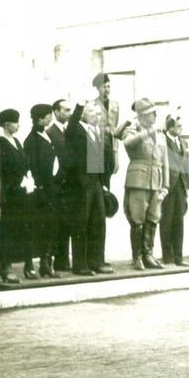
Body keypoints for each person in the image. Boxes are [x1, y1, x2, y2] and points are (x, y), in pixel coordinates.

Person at [66, 100, 115, 275]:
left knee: (98, 222)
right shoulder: (76, 130)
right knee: (81, 222)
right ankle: (80, 264)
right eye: (93, 113)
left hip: (97, 183)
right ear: (85, 114)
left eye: (99, 113)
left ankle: (97, 261)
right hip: (81, 184)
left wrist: (105, 185)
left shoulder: (100, 133)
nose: (97, 116)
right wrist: (79, 105)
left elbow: (105, 161)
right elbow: (72, 123)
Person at [120, 98, 169, 270]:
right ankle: (137, 257)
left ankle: (148, 254)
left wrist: (166, 185)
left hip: (155, 180)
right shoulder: (132, 130)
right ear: (143, 115)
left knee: (153, 218)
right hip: (138, 180)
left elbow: (165, 161)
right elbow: (127, 143)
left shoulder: (160, 134)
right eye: (152, 113)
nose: (156, 115)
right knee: (137, 219)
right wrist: (149, 131)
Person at [0, 109, 34, 282]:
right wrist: (18, 179)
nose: (18, 125)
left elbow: (25, 162)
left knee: (23, 228)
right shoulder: (0, 143)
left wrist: (27, 176)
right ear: (6, 124)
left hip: (21, 192)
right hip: (8, 194)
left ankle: (24, 265)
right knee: (7, 230)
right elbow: (3, 169)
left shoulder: (17, 141)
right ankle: (6, 266)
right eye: (15, 122)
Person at [24, 103, 61, 278]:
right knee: (39, 227)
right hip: (41, 190)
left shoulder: (44, 135)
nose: (51, 118)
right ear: (39, 119)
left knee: (51, 226)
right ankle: (33, 265)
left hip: (50, 187)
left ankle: (47, 265)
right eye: (48, 116)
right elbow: (33, 167)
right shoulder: (31, 140)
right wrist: (40, 188)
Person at [160, 113, 189, 266]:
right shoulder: (162, 140)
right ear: (170, 127)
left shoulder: (184, 143)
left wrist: (188, 188)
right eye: (178, 126)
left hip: (181, 185)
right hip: (167, 185)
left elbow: (186, 166)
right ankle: (167, 257)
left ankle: (179, 257)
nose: (181, 129)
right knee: (166, 220)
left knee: (179, 221)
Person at [47, 99, 75, 271]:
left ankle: (64, 258)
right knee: (59, 221)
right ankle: (60, 259)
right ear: (56, 112)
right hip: (59, 183)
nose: (69, 113)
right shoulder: (51, 132)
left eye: (70, 110)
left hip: (72, 183)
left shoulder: (70, 130)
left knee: (69, 221)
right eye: (66, 110)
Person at [90, 73, 121, 189]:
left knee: (107, 181)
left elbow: (115, 132)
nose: (107, 89)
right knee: (97, 182)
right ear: (97, 88)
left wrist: (116, 155)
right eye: (104, 87)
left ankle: (106, 206)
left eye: (108, 86)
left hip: (110, 149)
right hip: (97, 148)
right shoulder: (91, 105)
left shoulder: (115, 106)